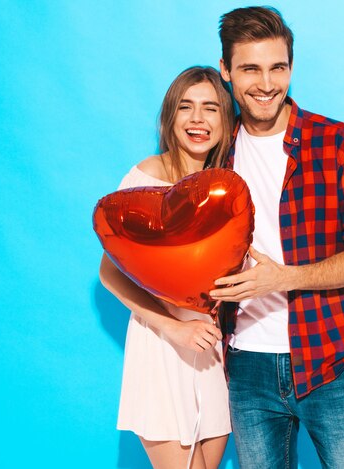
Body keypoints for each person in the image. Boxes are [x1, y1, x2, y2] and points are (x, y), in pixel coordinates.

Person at [209, 7, 344, 469]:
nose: (267, 83)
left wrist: (283, 278)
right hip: (246, 365)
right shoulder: (215, 155)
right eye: (250, 68)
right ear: (226, 71)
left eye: (278, 67)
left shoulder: (339, 144)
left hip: (331, 358)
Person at [99, 66, 234, 469]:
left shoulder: (227, 183)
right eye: (186, 107)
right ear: (169, 117)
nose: (198, 119)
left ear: (225, 121)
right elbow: (109, 272)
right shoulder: (146, 177)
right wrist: (173, 327)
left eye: (210, 108)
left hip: (211, 351)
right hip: (162, 346)